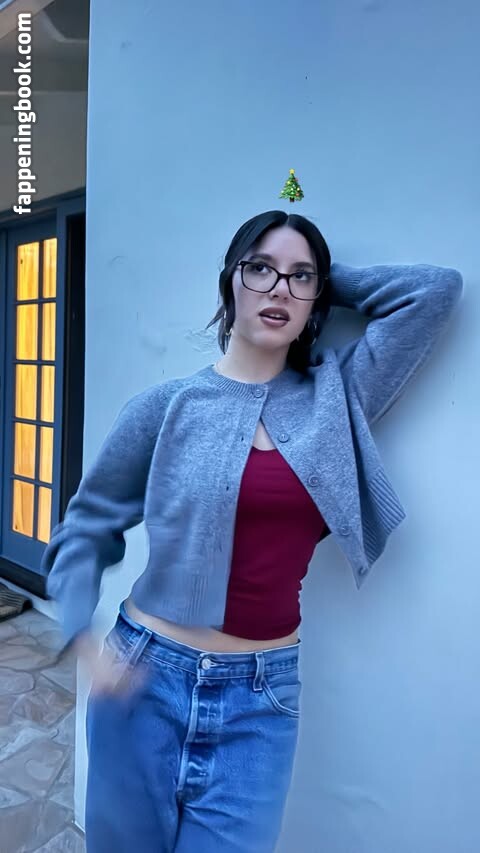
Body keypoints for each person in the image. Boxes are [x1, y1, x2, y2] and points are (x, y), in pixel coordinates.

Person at [41, 209, 463, 853]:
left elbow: (432, 293)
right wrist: (82, 633)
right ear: (229, 280)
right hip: (144, 680)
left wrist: (318, 280)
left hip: (261, 700)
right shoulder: (165, 407)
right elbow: (86, 525)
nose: (278, 288)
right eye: (260, 269)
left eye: (300, 277)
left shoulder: (337, 398)